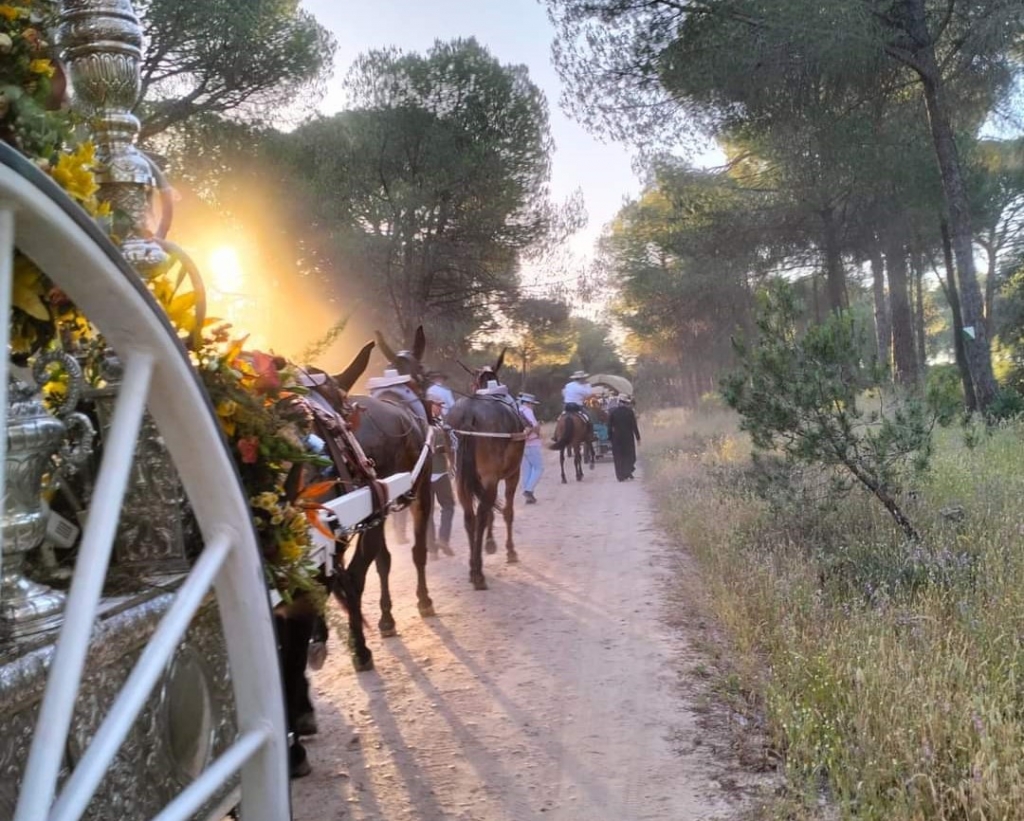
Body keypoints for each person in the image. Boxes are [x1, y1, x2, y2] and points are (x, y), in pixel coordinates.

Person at [607, 396, 641, 481]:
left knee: (618, 457)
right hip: (628, 438)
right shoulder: (630, 412)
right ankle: (627, 471)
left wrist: (610, 437)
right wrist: (638, 437)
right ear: (626, 403)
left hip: (616, 438)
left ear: (619, 403)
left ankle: (620, 476)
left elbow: (609, 427)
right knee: (630, 456)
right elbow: (634, 426)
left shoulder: (613, 412)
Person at [518, 392, 544, 504]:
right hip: (532, 443)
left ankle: (527, 492)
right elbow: (534, 426)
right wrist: (538, 429)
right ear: (528, 403)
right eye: (532, 403)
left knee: (526, 469)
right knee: (539, 468)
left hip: (521, 443)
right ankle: (529, 490)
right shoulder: (528, 411)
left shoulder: (517, 411)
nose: (532, 405)